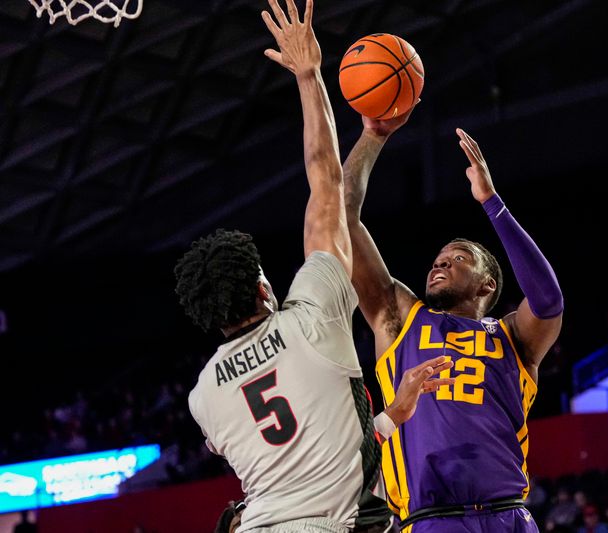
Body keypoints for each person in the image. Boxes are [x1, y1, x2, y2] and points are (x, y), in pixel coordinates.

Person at [175, 2, 453, 532]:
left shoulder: (203, 394)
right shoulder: (312, 316)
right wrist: (310, 78)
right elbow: (326, 183)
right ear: (262, 288)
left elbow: (309, 455)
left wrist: (393, 416)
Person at [343, 109, 563, 529]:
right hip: (430, 519)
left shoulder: (515, 336)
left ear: (487, 286)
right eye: (439, 259)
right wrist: (373, 135)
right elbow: (343, 215)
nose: (440, 264)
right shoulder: (399, 316)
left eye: (459, 258)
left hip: (508, 516)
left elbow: (548, 299)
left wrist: (492, 204)